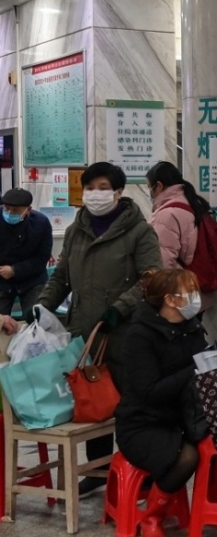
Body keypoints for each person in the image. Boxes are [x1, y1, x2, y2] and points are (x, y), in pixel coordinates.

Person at [38, 161, 162, 497]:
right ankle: (98, 469)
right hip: (83, 330)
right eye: (89, 188)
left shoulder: (139, 231)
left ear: (119, 192)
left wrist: (119, 309)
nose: (95, 194)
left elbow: (151, 278)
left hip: (124, 331)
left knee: (128, 405)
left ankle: (138, 472)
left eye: (102, 187)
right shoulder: (78, 228)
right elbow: (62, 275)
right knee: (93, 400)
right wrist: (43, 306)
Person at [114, 269, 209, 537]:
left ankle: (214, 506)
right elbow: (149, 392)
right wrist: (194, 369)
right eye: (189, 293)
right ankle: (152, 518)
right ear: (170, 299)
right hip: (142, 422)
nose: (196, 298)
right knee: (187, 456)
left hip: (182, 415)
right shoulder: (140, 336)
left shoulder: (191, 326)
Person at [0, 188, 52, 332]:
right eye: (6, 208)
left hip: (32, 280)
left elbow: (42, 258)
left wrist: (15, 270)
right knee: (2, 324)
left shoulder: (41, 224)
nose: (9, 213)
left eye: (15, 210)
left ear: (28, 210)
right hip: (1, 281)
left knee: (35, 322)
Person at [145, 161, 210, 271]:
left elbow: (163, 260)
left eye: (150, 187)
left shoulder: (166, 215)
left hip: (173, 282)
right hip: (187, 277)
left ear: (159, 186)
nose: (150, 192)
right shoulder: (188, 202)